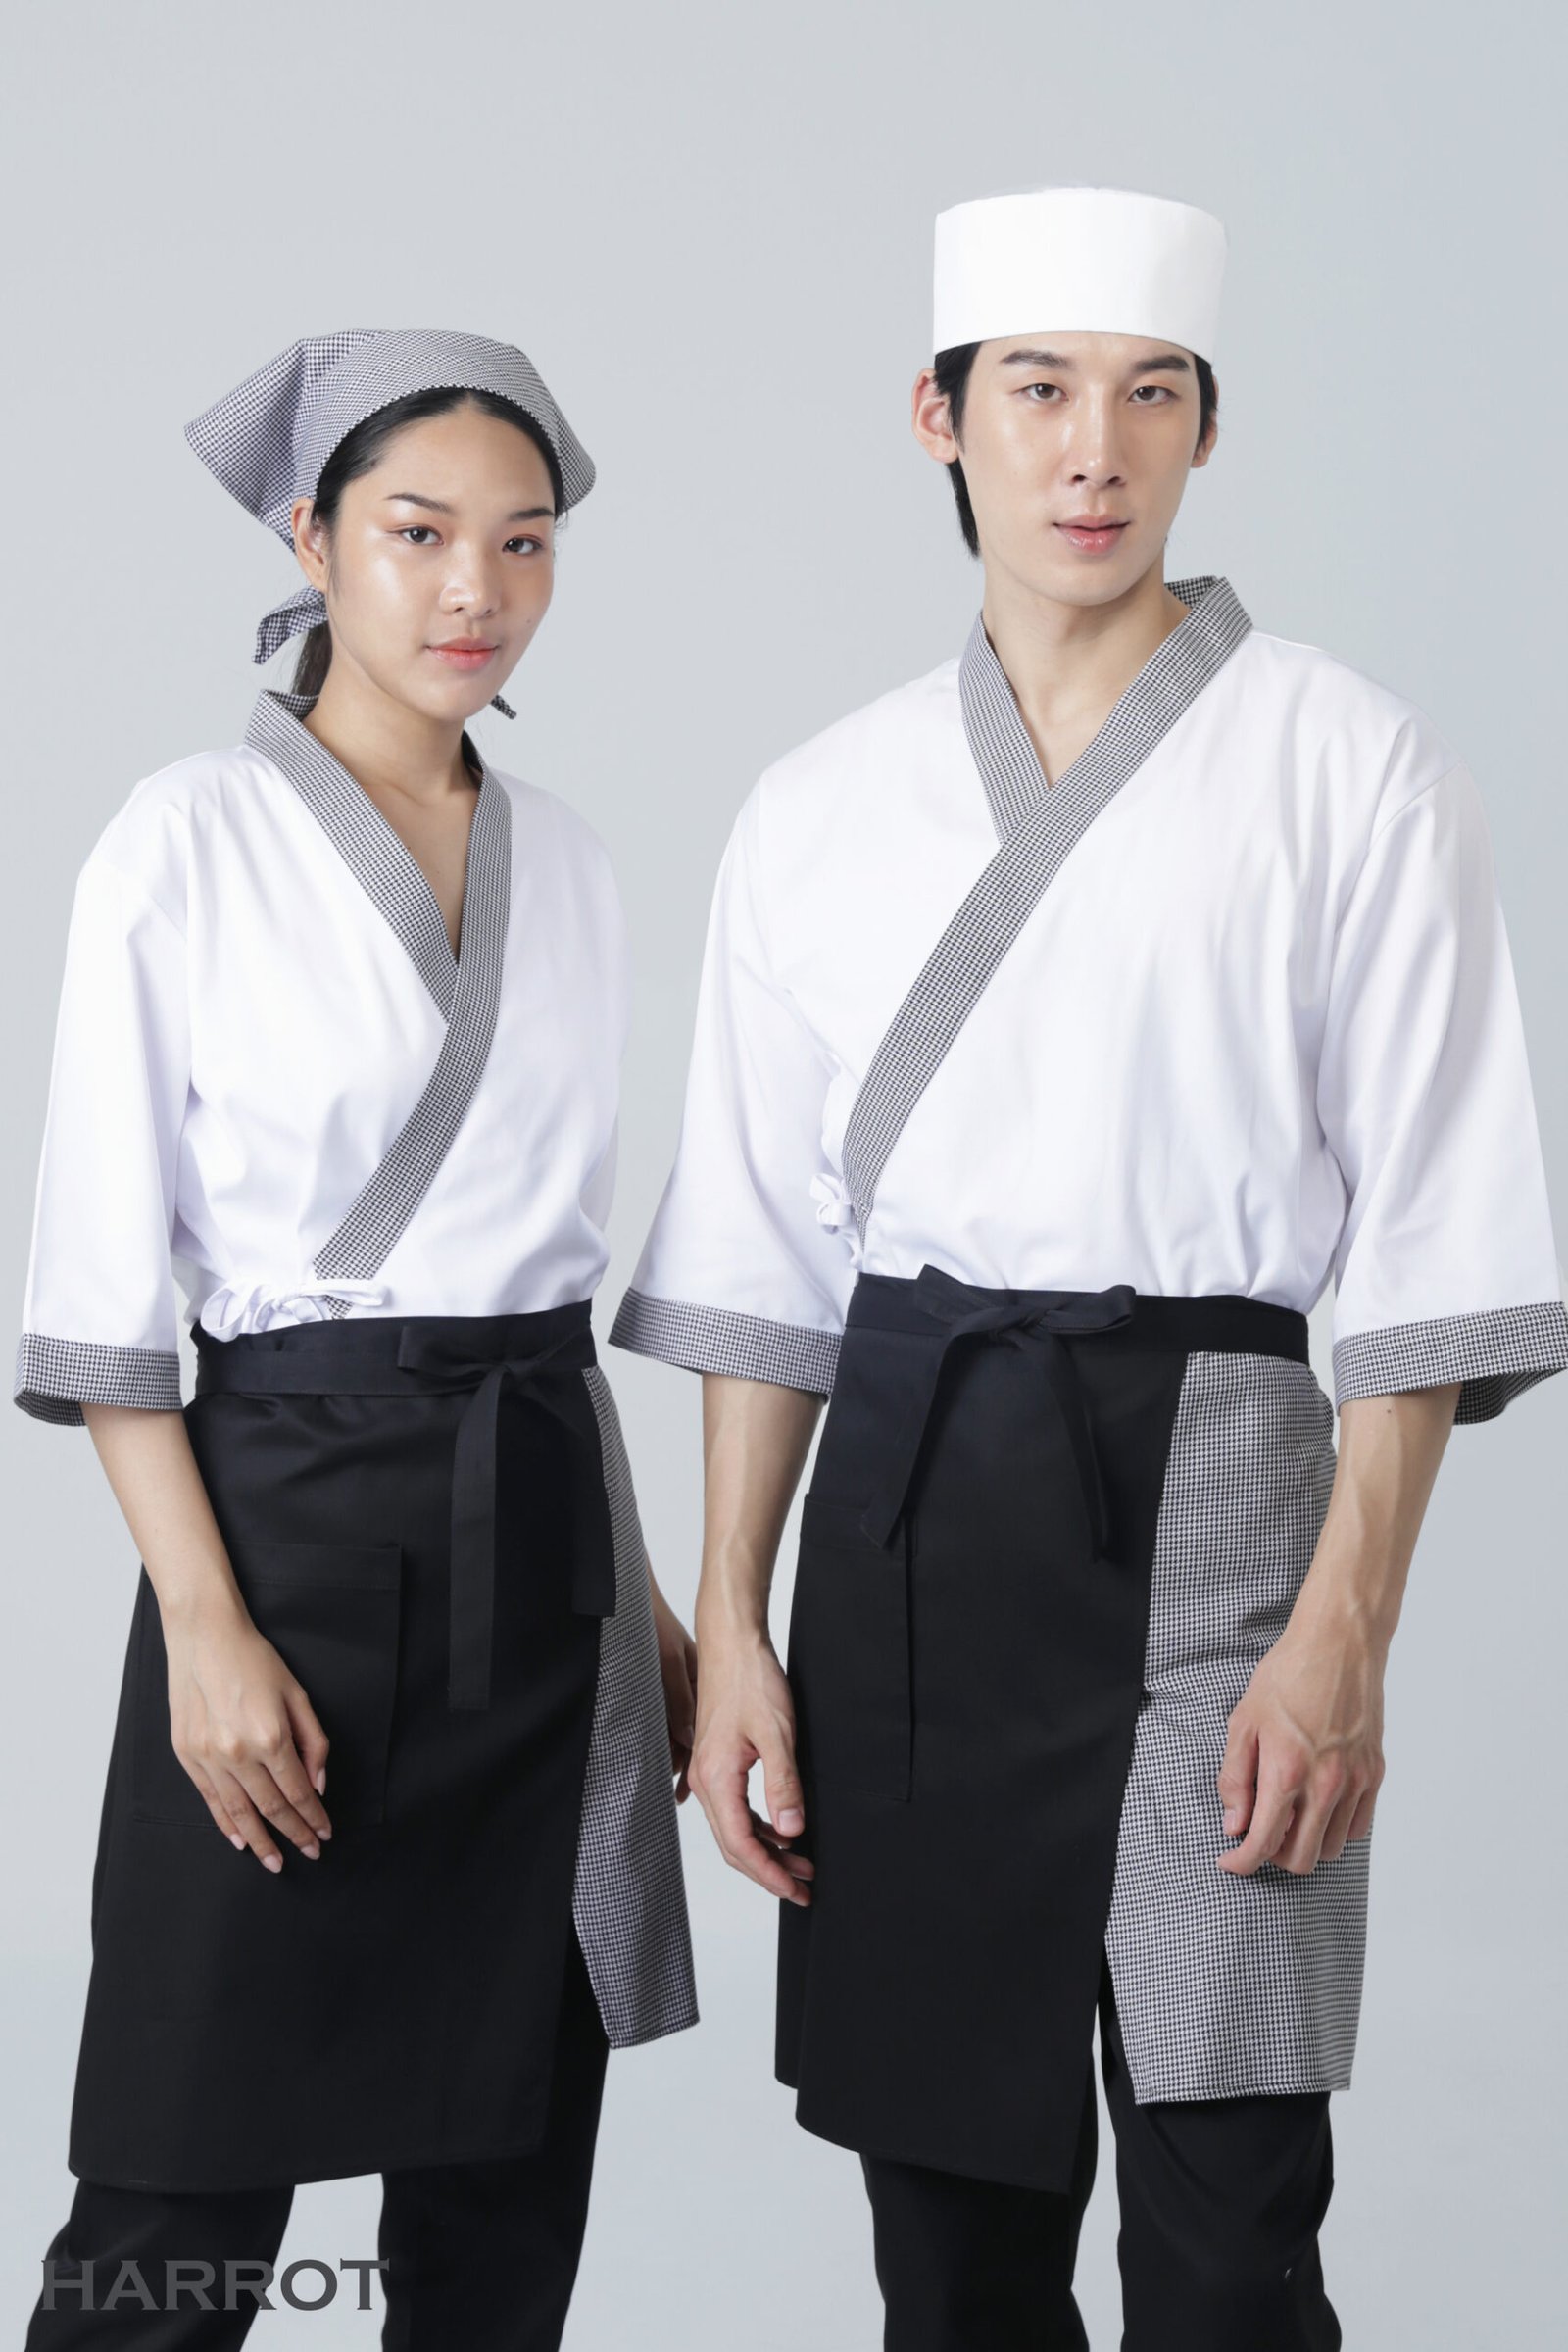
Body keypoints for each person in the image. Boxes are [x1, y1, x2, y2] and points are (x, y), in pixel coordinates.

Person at [606, 186, 1568, 2348]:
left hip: (1226, 1497)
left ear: (1206, 429)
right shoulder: (820, 803)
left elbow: (1432, 1235)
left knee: (1230, 2216)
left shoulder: (1351, 763)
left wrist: (1344, 1638)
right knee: (951, 2234)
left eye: (1149, 395)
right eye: (1036, 391)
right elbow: (769, 1263)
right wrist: (736, 1628)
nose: (1091, 451)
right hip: (915, 1510)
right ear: (936, 417)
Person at [15, 327, 699, 2348]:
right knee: (174, 2214)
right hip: (285, 1540)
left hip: (541, 1552)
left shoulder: (571, 862)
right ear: (311, 539)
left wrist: (646, 1603)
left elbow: (542, 1286)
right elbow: (104, 1292)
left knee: (500, 2205)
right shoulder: (183, 840)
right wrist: (203, 1636)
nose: (474, 587)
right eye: (417, 533)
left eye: (523, 541)